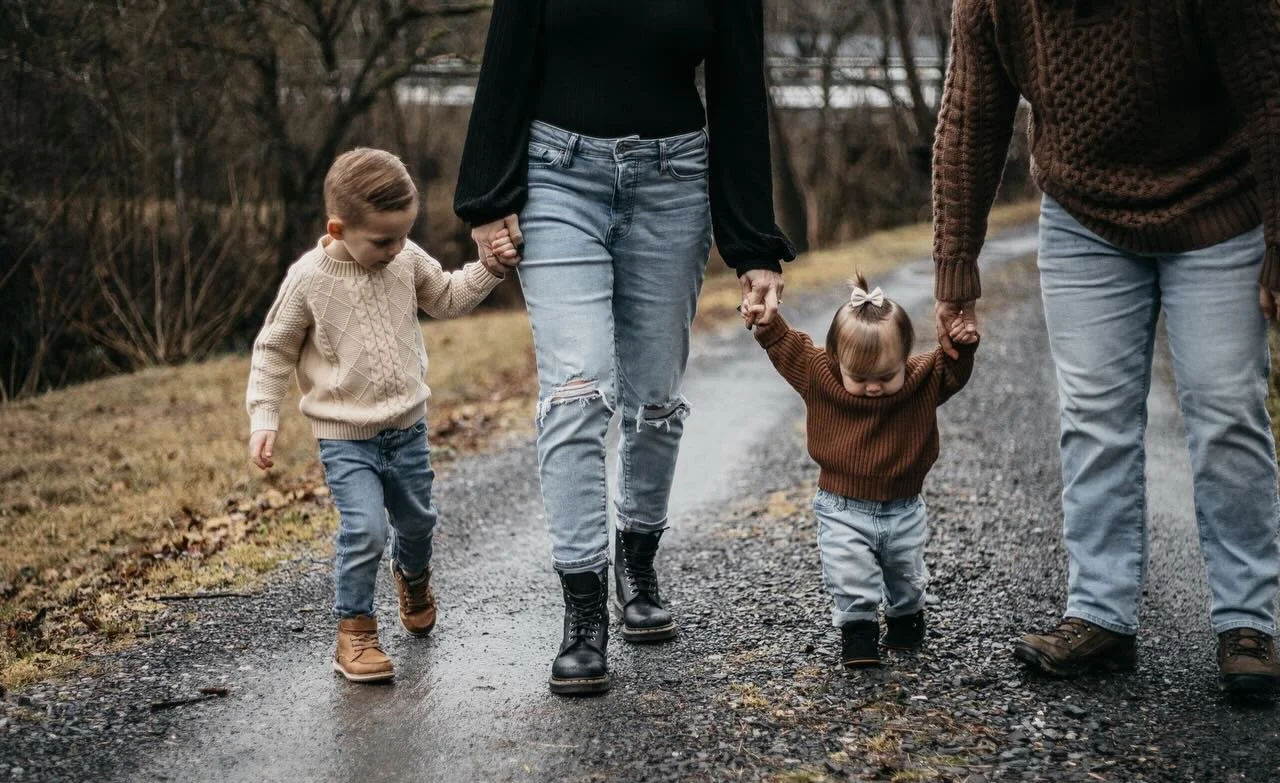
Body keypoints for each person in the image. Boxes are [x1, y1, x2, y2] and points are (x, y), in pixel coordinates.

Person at [931, 0, 1280, 699]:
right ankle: (1100, 613)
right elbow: (970, 116)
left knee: (1226, 407)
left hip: (1217, 204)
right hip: (1082, 216)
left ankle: (1245, 623)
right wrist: (956, 264)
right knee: (1093, 414)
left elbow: (1276, 93)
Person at [454, 1, 795, 695]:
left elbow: (736, 90)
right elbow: (508, 54)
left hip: (674, 185)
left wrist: (754, 241)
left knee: (655, 400)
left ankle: (636, 561)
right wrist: (487, 197)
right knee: (577, 391)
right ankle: (583, 616)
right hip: (557, 177)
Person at [246, 147, 513, 683]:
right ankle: (356, 631)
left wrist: (487, 269)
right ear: (338, 227)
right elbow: (273, 350)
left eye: (402, 236)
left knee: (418, 522)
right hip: (345, 437)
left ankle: (413, 577)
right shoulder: (309, 279)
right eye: (382, 240)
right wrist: (264, 417)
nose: (395, 250)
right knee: (365, 528)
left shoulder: (406, 258)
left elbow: (446, 297)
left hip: (406, 428)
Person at [747, 273, 978, 668]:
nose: (874, 388)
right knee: (850, 573)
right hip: (841, 507)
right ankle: (859, 635)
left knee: (905, 573)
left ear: (907, 357)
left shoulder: (921, 379)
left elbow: (951, 370)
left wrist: (960, 342)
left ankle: (906, 618)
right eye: (861, 378)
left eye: (887, 377)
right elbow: (788, 348)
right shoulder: (819, 374)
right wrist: (768, 325)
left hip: (904, 507)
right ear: (837, 361)